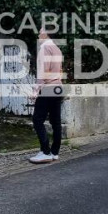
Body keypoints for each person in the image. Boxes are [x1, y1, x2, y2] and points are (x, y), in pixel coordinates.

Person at [28, 28, 64, 164]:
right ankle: (54, 152)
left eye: (40, 31)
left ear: (46, 33)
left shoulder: (44, 48)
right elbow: (59, 72)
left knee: (37, 119)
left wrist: (35, 91)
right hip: (58, 88)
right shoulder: (57, 49)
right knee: (56, 121)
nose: (38, 33)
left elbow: (43, 72)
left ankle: (45, 152)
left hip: (48, 89)